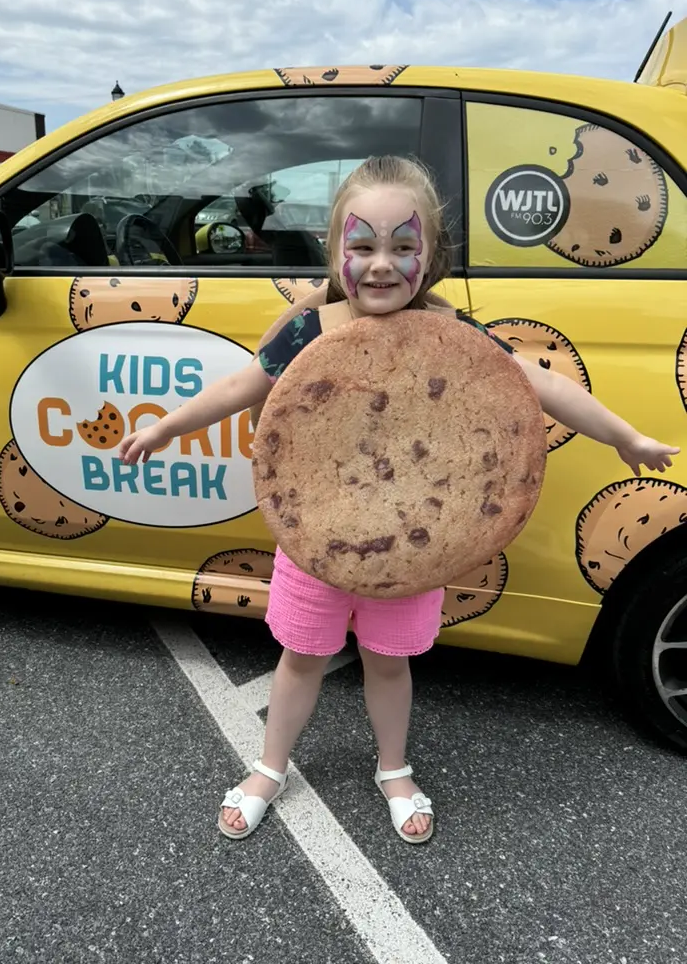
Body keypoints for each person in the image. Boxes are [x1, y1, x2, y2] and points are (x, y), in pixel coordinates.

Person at [118, 155, 679, 844]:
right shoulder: (311, 331)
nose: (381, 264)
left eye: (402, 246)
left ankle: (394, 769)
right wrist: (166, 427)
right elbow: (243, 386)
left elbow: (542, 384)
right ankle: (270, 766)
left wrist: (625, 437)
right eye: (362, 245)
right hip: (318, 540)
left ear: (430, 255)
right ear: (335, 251)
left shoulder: (452, 337)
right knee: (301, 658)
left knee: (389, 662)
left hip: (412, 548)